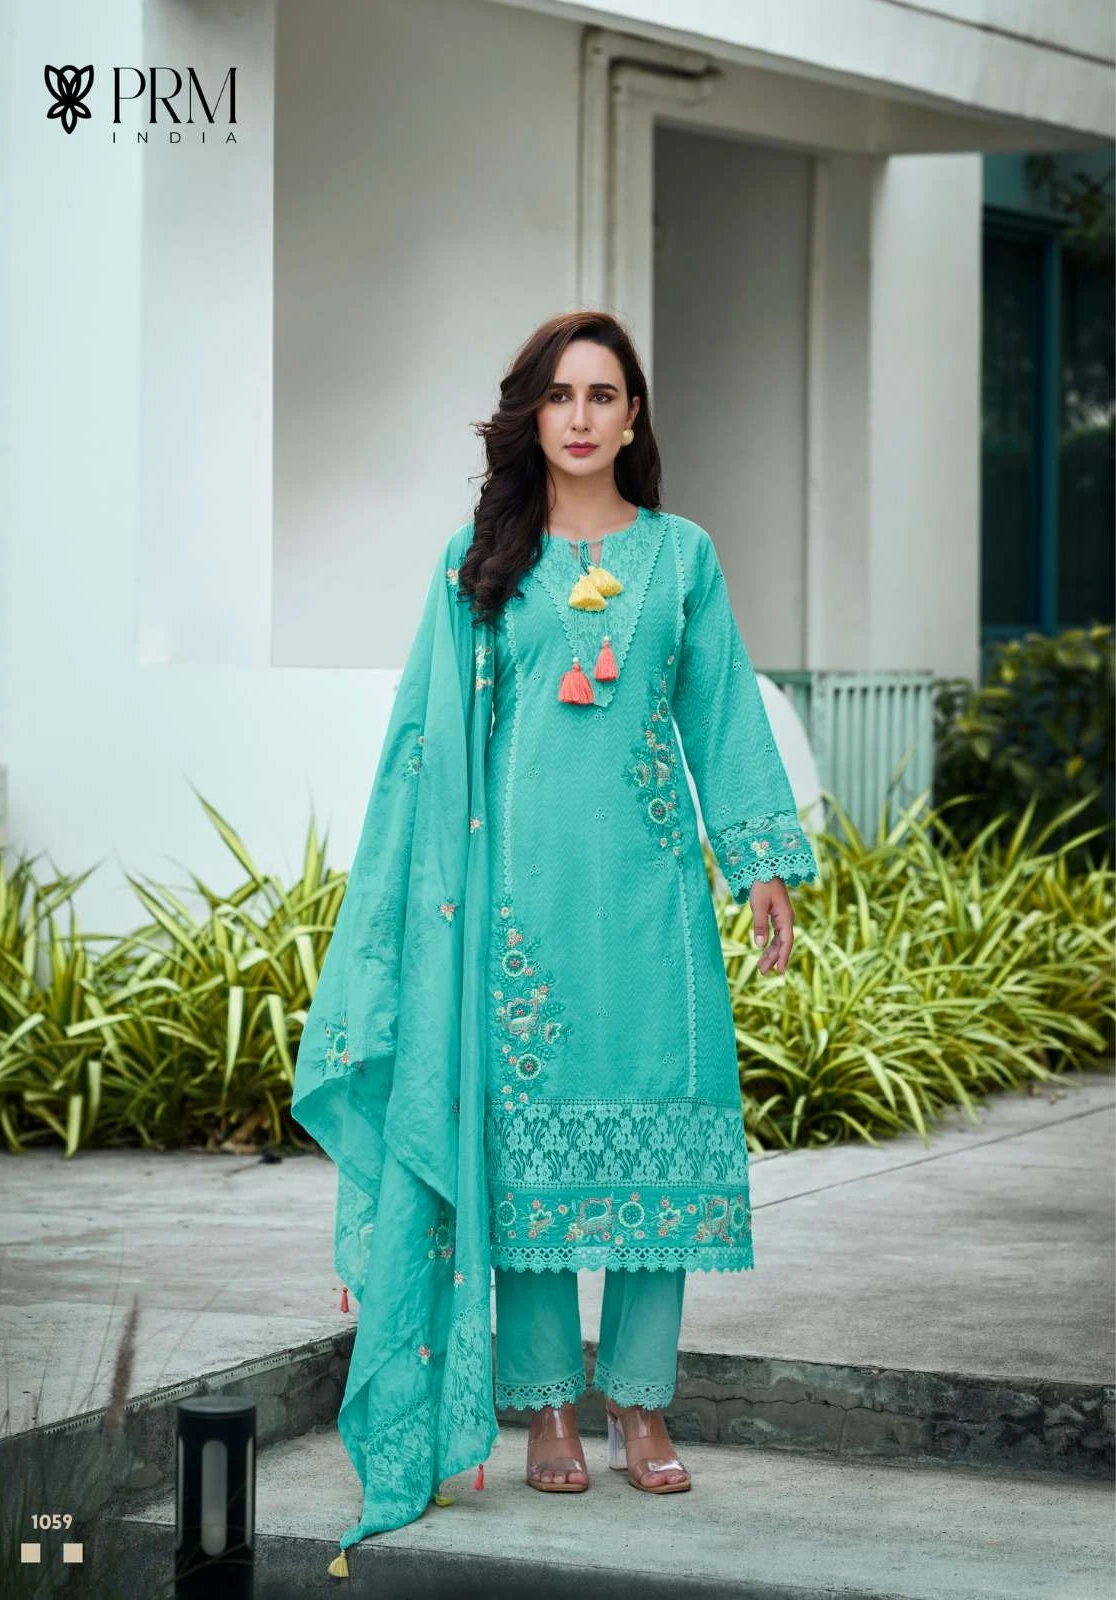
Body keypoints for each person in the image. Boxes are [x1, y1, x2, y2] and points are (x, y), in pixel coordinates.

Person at [292, 311, 819, 1570]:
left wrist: (757, 863)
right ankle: (540, 1401)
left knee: (654, 1146)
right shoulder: (483, 560)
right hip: (513, 912)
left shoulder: (681, 559)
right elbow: (426, 739)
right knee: (523, 1162)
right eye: (559, 395)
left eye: (603, 394)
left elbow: (718, 714)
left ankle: (637, 1402)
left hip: (648, 908)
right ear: (532, 416)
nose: (579, 416)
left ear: (632, 418)